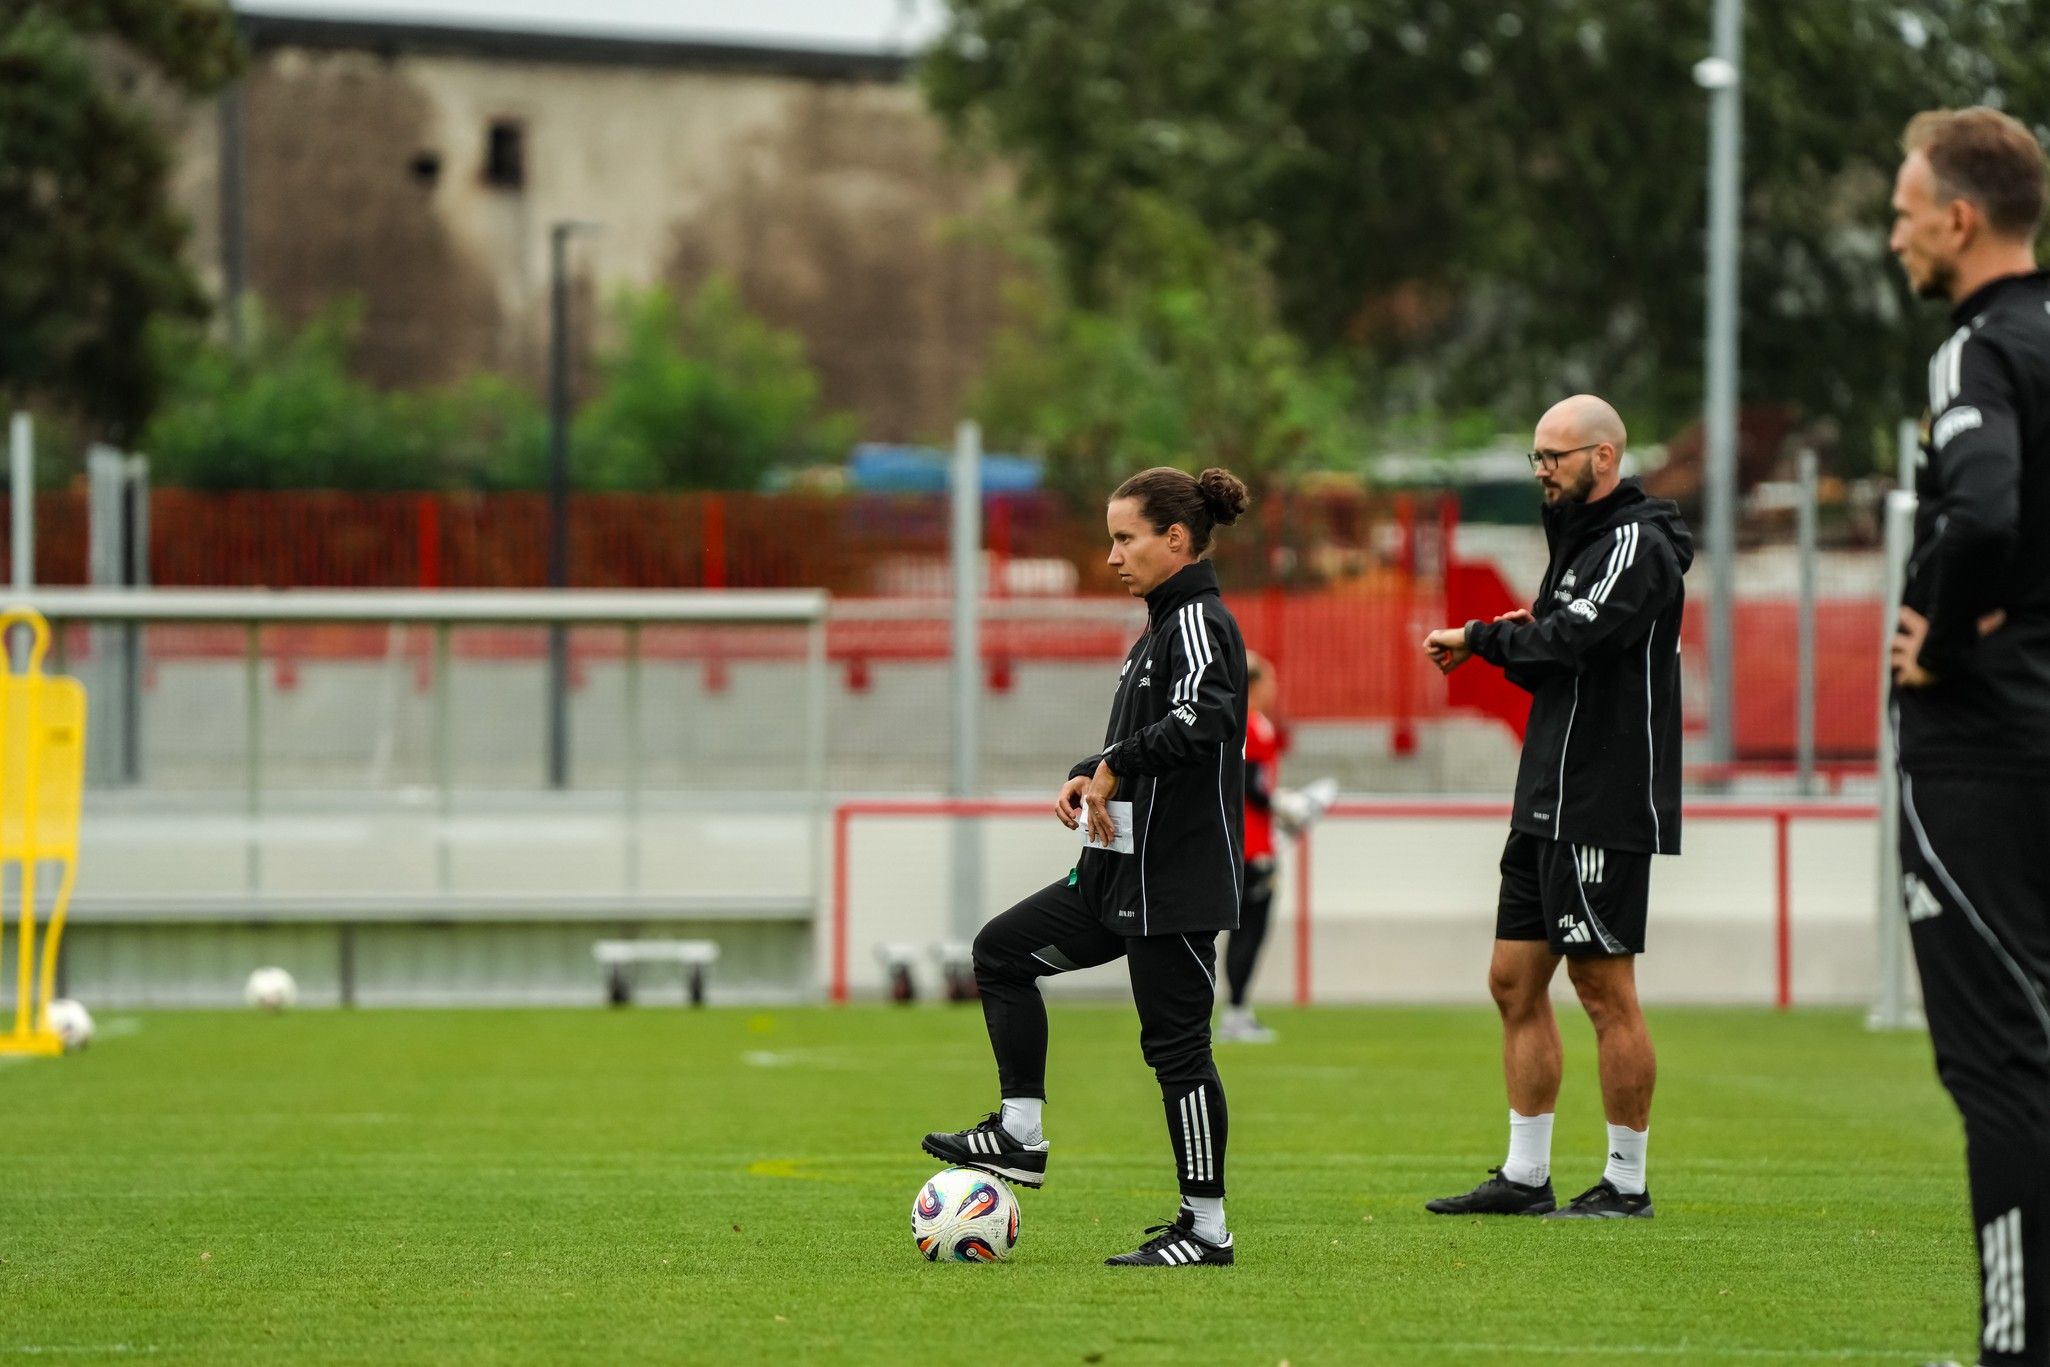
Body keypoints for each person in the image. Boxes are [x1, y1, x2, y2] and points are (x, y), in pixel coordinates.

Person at [922, 466, 1252, 1268]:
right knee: (1001, 951)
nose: (1111, 556)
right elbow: (1148, 741)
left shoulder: (1201, 619)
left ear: (1175, 539)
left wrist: (1116, 761)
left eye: (1124, 538)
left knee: (1177, 1052)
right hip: (1112, 877)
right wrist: (1093, 767)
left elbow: (1204, 718)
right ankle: (1020, 1133)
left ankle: (1206, 1229)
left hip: (1172, 883)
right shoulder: (1159, 628)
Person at [1418, 394, 1691, 1220]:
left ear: (1604, 457)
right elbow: (1555, 652)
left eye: (1556, 456)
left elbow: (1569, 640)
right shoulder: (1579, 541)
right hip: (1549, 794)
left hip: (1601, 800)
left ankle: (1627, 1182)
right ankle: (1525, 1175)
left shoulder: (1633, 541)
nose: (1542, 469)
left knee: (1604, 987)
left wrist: (1485, 637)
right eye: (1537, 456)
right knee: (1512, 981)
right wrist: (1511, 638)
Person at [1886, 107, 2050, 1367]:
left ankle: (2012, 1345)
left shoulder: (1975, 352)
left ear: (1958, 218)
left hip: (1983, 752)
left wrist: (1936, 634)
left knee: (1998, 1063)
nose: (1892, 237)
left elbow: (1982, 509)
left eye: (1902, 212)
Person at [1218, 653, 1282, 1044]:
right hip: (1251, 846)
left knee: (1240, 932)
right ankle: (1237, 1011)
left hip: (1237, 843)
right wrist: (1284, 804)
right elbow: (1253, 787)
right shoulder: (1253, 727)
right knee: (1249, 932)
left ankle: (1237, 1010)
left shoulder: (1230, 723)